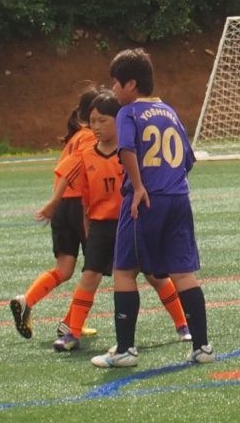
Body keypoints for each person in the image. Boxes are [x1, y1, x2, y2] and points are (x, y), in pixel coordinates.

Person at [91, 48, 213, 368]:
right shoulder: (169, 111)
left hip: (145, 200)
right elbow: (188, 160)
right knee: (182, 273)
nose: (113, 89)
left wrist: (139, 186)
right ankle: (202, 346)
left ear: (131, 84)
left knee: (124, 270)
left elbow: (127, 149)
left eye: (115, 82)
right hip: (178, 198)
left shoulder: (128, 113)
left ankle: (125, 350)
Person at [52, 92, 192, 352]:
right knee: (89, 276)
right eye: (92, 121)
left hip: (130, 221)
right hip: (101, 226)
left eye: (102, 120)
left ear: (118, 121)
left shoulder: (128, 153)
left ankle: (183, 324)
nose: (96, 126)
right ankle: (72, 332)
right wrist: (86, 225)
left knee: (154, 276)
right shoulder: (86, 154)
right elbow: (84, 196)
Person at [10, 87, 99, 339]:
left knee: (64, 268)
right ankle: (71, 323)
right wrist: (55, 200)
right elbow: (73, 168)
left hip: (63, 209)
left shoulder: (74, 137)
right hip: (80, 206)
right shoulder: (91, 137)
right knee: (94, 269)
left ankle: (27, 300)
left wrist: (56, 202)